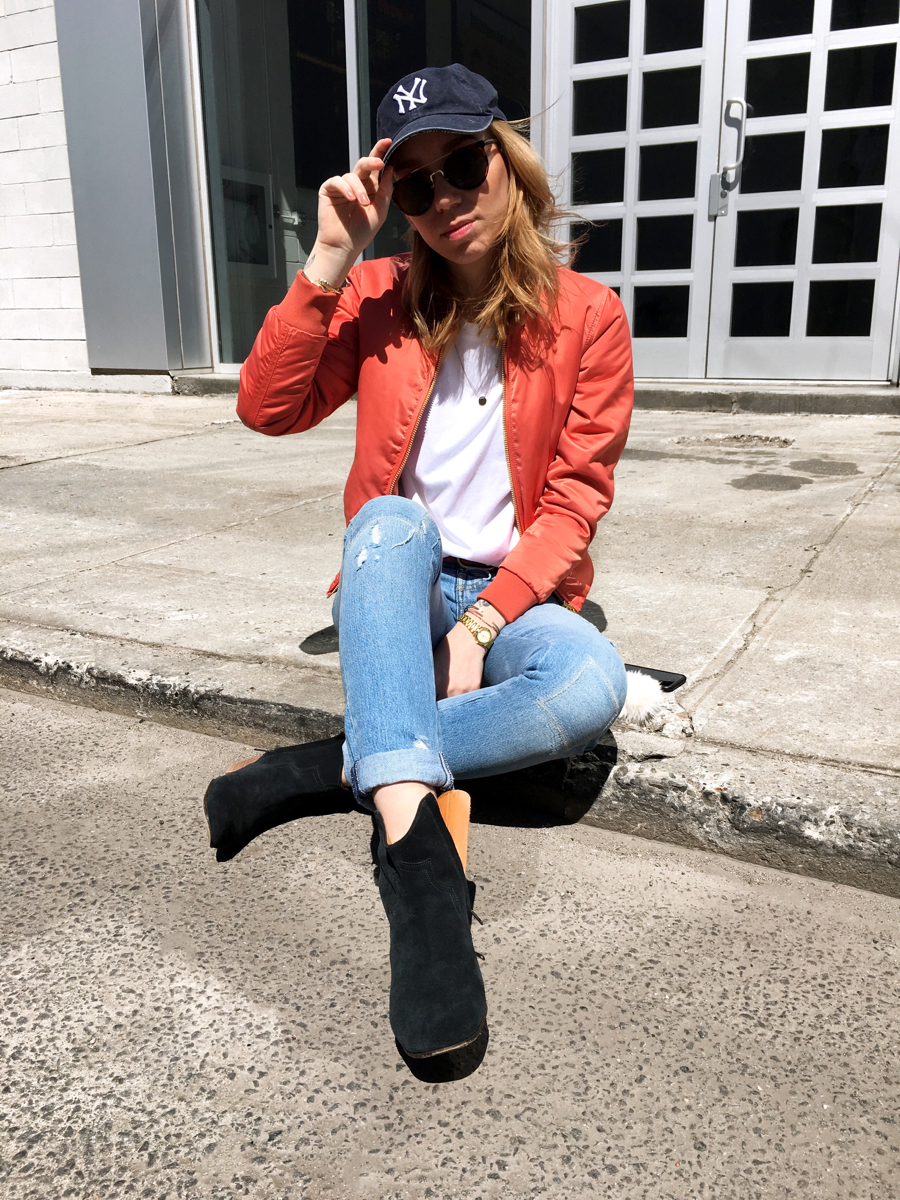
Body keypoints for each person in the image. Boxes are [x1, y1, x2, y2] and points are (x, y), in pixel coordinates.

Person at [203, 64, 633, 1060]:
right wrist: (325, 258)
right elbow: (267, 409)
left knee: (588, 683)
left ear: (507, 164)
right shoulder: (372, 297)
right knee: (391, 519)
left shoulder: (588, 317)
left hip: (512, 591)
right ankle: (424, 882)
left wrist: (486, 624)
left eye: (463, 164)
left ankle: (335, 764)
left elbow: (575, 503)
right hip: (400, 571)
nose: (443, 199)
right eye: (416, 184)